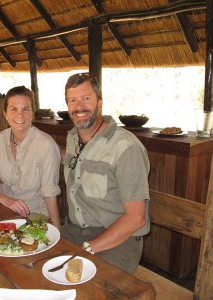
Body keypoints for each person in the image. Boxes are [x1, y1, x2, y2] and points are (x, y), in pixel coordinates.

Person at [61, 73, 150, 274]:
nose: (79, 107)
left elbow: (136, 218)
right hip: (73, 231)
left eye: (86, 98)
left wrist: (89, 248)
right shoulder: (73, 138)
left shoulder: (126, 147)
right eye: (72, 100)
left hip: (117, 240)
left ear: (99, 103)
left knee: (90, 288)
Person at [0, 86, 61, 229]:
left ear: (32, 113)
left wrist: (57, 234)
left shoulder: (46, 145)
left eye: (25, 109)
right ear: (5, 114)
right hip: (2, 210)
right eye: (13, 109)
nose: (20, 116)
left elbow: (50, 196)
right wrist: (4, 199)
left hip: (34, 216)